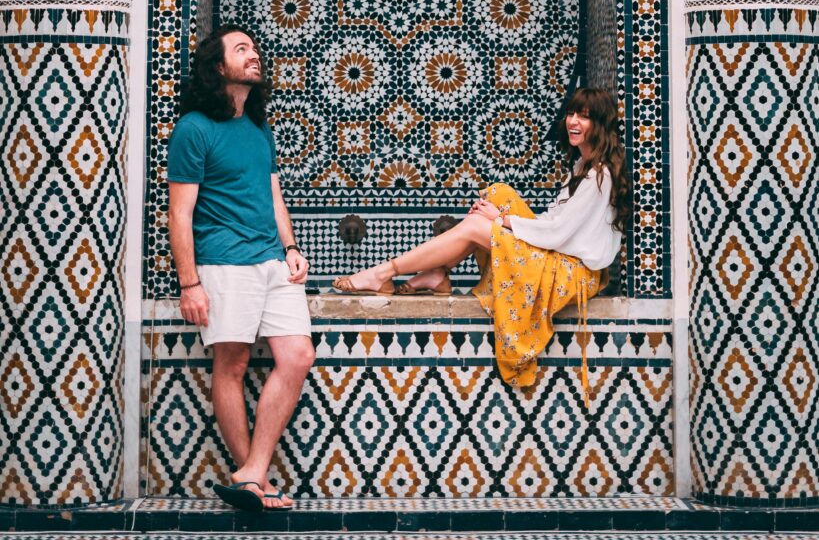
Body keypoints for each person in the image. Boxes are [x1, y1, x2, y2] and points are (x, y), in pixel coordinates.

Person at [333, 87, 630, 402]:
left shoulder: (601, 175)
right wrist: (499, 214)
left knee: (480, 224)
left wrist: (501, 221)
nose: (573, 121)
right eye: (572, 113)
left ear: (600, 124)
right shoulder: (582, 168)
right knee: (498, 193)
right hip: (560, 260)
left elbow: (558, 232)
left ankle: (383, 273)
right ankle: (436, 273)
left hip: (573, 275)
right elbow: (552, 223)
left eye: (584, 117)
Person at [167, 25, 314, 512]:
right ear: (218, 67)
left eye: (253, 49)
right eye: (242, 50)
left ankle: (251, 470)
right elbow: (180, 213)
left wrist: (290, 246)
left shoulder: (257, 125)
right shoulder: (194, 128)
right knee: (232, 366)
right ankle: (255, 480)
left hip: (273, 261)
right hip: (225, 263)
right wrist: (190, 283)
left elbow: (272, 194)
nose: (254, 56)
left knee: (297, 356)